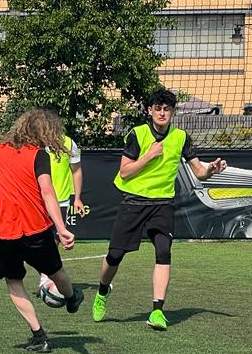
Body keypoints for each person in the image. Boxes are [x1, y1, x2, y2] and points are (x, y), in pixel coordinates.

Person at [94, 87, 226, 330]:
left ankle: (157, 311)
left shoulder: (181, 137)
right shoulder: (138, 134)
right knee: (115, 255)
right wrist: (149, 155)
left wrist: (211, 170)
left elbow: (199, 172)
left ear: (172, 112)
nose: (162, 113)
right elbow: (125, 171)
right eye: (158, 109)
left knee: (164, 252)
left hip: (163, 204)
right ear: (149, 111)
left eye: (167, 109)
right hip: (134, 200)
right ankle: (102, 291)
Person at [0, 109, 84, 353]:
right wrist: (61, 228)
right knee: (55, 270)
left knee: (13, 281)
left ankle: (39, 335)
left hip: (4, 230)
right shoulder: (39, 155)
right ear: (45, 132)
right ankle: (72, 297)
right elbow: (47, 191)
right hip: (34, 227)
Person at [39, 122, 86, 283]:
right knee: (40, 240)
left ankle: (45, 278)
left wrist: (77, 198)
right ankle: (45, 276)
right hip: (38, 200)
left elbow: (76, 170)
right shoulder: (36, 143)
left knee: (54, 239)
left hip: (61, 201)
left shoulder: (69, 143)